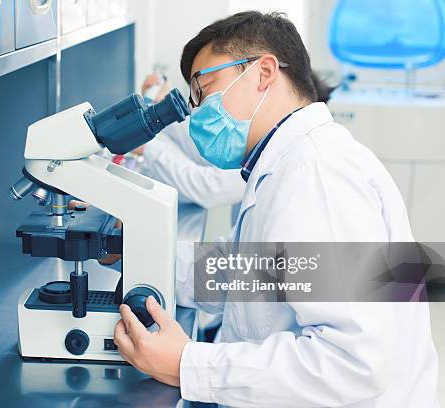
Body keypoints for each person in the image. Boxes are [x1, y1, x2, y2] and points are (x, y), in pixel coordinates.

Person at [112, 11, 438, 407]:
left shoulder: (315, 172)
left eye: (205, 88)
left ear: (264, 72)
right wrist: (129, 250)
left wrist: (189, 364)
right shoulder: (287, 165)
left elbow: (353, 363)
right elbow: (253, 274)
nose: (198, 112)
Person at [136, 71, 334, 210]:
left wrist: (149, 147)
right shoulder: (260, 140)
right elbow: (200, 148)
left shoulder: (284, 160)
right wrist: (162, 109)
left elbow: (208, 187)